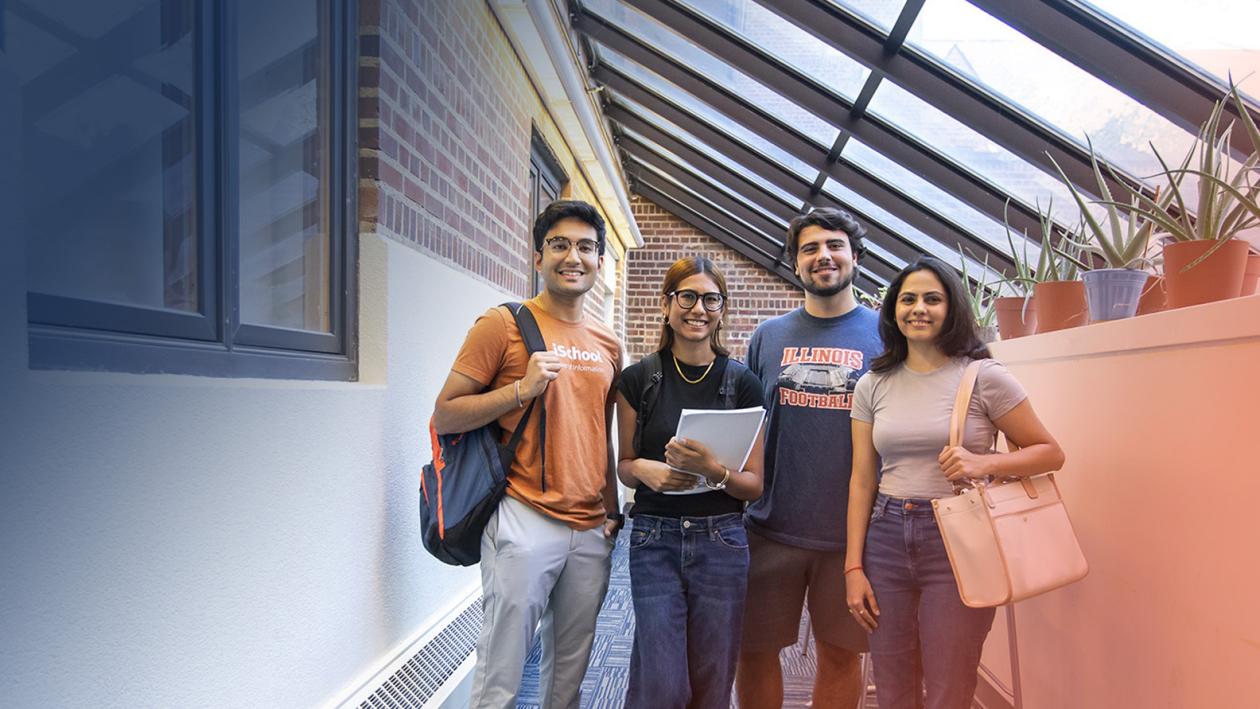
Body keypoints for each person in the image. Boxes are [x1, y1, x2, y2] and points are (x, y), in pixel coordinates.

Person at [844, 256, 1066, 709]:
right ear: (893, 311)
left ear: (952, 309)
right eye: (908, 299)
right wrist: (852, 568)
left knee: (949, 682)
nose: (918, 309)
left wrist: (983, 465)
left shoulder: (983, 377)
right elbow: (862, 480)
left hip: (959, 538)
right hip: (885, 537)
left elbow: (1050, 453)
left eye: (932, 299)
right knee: (892, 682)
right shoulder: (872, 383)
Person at [431, 200, 624, 709]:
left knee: (570, 672)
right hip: (524, 515)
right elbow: (446, 414)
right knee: (502, 670)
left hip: (589, 528)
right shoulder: (502, 324)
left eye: (586, 247)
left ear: (599, 263)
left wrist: (610, 511)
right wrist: (520, 390)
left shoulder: (608, 343)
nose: (573, 256)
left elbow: (598, 431)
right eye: (559, 244)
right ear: (538, 256)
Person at [736, 208, 883, 709]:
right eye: (810, 249)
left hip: (850, 539)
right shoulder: (768, 336)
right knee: (751, 653)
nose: (823, 256)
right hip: (768, 527)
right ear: (796, 264)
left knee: (841, 656)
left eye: (835, 245)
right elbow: (750, 423)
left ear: (855, 257)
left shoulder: (886, 335)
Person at [615, 256, 766, 709]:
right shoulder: (638, 379)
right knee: (662, 682)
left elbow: (753, 485)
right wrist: (645, 470)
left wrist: (712, 471)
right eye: (687, 296)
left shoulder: (743, 382)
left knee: (713, 676)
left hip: (722, 539)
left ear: (722, 309)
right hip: (653, 539)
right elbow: (623, 464)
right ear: (666, 305)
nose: (698, 308)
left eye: (711, 299)